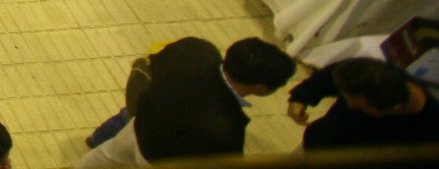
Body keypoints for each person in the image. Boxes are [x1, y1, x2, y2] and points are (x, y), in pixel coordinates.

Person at [83, 36, 294, 158]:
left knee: (107, 154)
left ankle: (96, 140)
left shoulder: (197, 48)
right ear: (260, 88)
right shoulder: (227, 128)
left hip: (143, 109)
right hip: (153, 154)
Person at [288, 56, 439, 151]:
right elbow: (331, 75)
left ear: (395, 109)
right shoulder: (375, 72)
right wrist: (300, 98)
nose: (350, 105)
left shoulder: (429, 131)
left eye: (359, 106)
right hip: (315, 147)